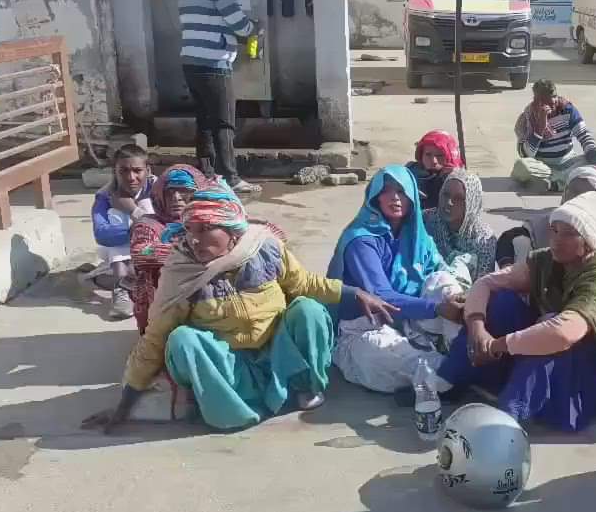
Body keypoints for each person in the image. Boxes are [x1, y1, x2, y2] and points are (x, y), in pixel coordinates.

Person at [82, 187, 395, 433]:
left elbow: (305, 284)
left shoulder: (265, 249)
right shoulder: (181, 270)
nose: (195, 238)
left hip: (276, 354)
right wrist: (124, 406)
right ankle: (230, 407)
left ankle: (303, 386)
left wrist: (355, 294)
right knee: (181, 340)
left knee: (309, 310)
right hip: (230, 365)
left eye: (206, 229)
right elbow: (154, 339)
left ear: (232, 232)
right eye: (191, 228)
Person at [437, 192, 596, 432]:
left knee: (550, 330)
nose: (556, 240)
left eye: (568, 234)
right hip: (541, 358)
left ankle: (505, 417)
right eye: (554, 230)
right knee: (503, 302)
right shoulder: (547, 260)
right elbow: (486, 283)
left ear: (587, 241)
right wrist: (478, 329)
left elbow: (563, 333)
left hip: (588, 375)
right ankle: (450, 381)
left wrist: (498, 345)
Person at [328, 165, 466, 393]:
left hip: (413, 321)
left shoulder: (416, 235)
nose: (395, 197)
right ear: (375, 198)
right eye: (387, 191)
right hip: (365, 328)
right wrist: (438, 309)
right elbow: (382, 297)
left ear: (412, 196)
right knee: (382, 356)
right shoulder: (361, 240)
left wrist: (460, 297)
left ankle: (462, 351)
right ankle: (449, 373)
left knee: (443, 281)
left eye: (401, 191)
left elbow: (441, 270)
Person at [496, 165, 596, 319]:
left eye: (586, 194)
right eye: (572, 192)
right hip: (556, 300)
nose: (577, 199)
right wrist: (509, 271)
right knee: (504, 297)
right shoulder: (561, 218)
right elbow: (510, 237)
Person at [179, 0, 261, 196]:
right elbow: (238, 23)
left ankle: (205, 174)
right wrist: (253, 29)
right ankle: (231, 177)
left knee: (204, 120)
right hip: (215, 63)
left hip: (190, 62)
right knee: (224, 122)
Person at [128, 164, 210, 334]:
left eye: (184, 191)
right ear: (160, 196)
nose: (176, 198)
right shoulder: (149, 224)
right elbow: (141, 252)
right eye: (170, 192)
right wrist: (186, 251)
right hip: (162, 301)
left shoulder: (211, 219)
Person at [92, 144, 155, 321]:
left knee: (146, 205)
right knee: (115, 214)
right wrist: (137, 227)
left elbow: (171, 226)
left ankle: (129, 280)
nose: (131, 177)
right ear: (115, 172)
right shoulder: (105, 196)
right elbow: (101, 234)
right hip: (118, 249)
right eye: (124, 171)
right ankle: (122, 288)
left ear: (148, 170)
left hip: (152, 248)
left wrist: (134, 211)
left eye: (137, 171)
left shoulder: (159, 188)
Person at [512, 79, 596, 192]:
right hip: (544, 166)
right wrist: (540, 127)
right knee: (522, 166)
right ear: (537, 100)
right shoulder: (528, 117)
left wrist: (592, 154)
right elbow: (526, 154)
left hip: (569, 162)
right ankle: (565, 181)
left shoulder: (567, 109)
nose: (552, 103)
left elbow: (583, 134)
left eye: (554, 98)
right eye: (546, 101)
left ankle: (555, 184)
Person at [423, 169, 497, 285]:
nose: (449, 202)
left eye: (458, 199)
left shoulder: (483, 239)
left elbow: (483, 284)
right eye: (446, 195)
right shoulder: (426, 219)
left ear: (471, 203)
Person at [407, 130, 462, 209]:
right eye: (428, 154)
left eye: (440, 156)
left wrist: (454, 177)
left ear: (450, 156)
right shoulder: (409, 175)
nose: (434, 161)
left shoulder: (457, 179)